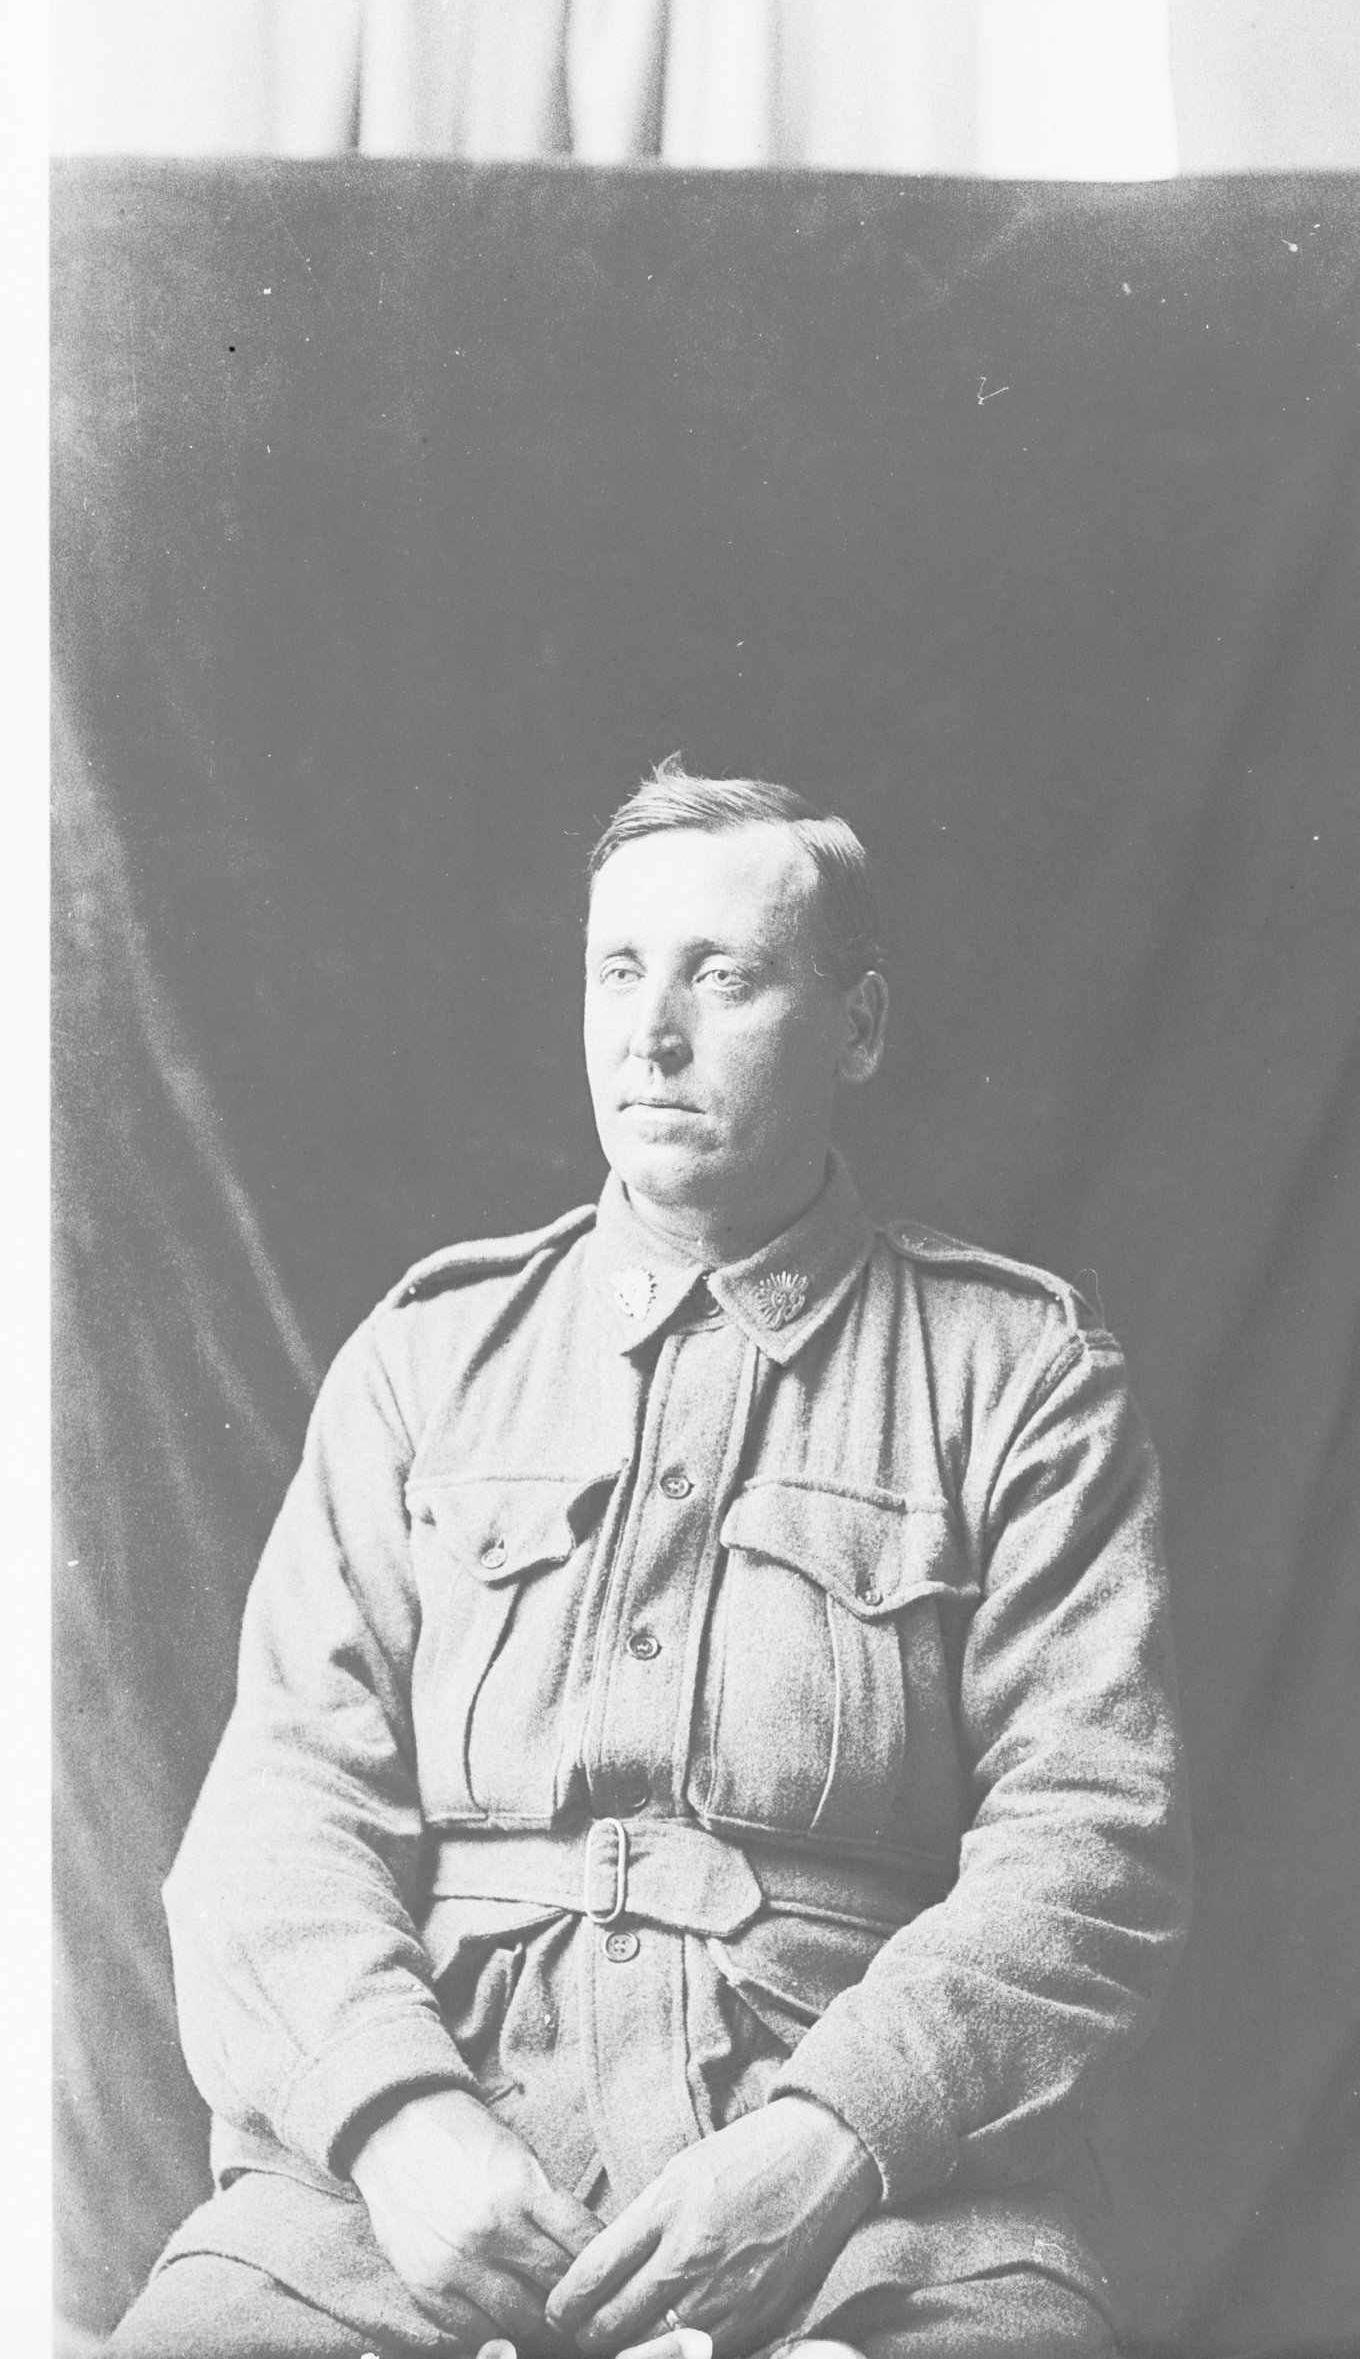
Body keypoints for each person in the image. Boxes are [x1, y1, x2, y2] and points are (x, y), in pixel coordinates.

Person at [110, 761, 1190, 2359]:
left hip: (864, 2198)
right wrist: (395, 2122)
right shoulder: (430, 1357)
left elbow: (1090, 1843)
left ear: (858, 1027)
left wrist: (834, 2138)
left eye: (723, 977)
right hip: (430, 2181)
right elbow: (280, 1811)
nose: (651, 1034)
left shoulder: (1016, 1374)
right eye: (618, 972)